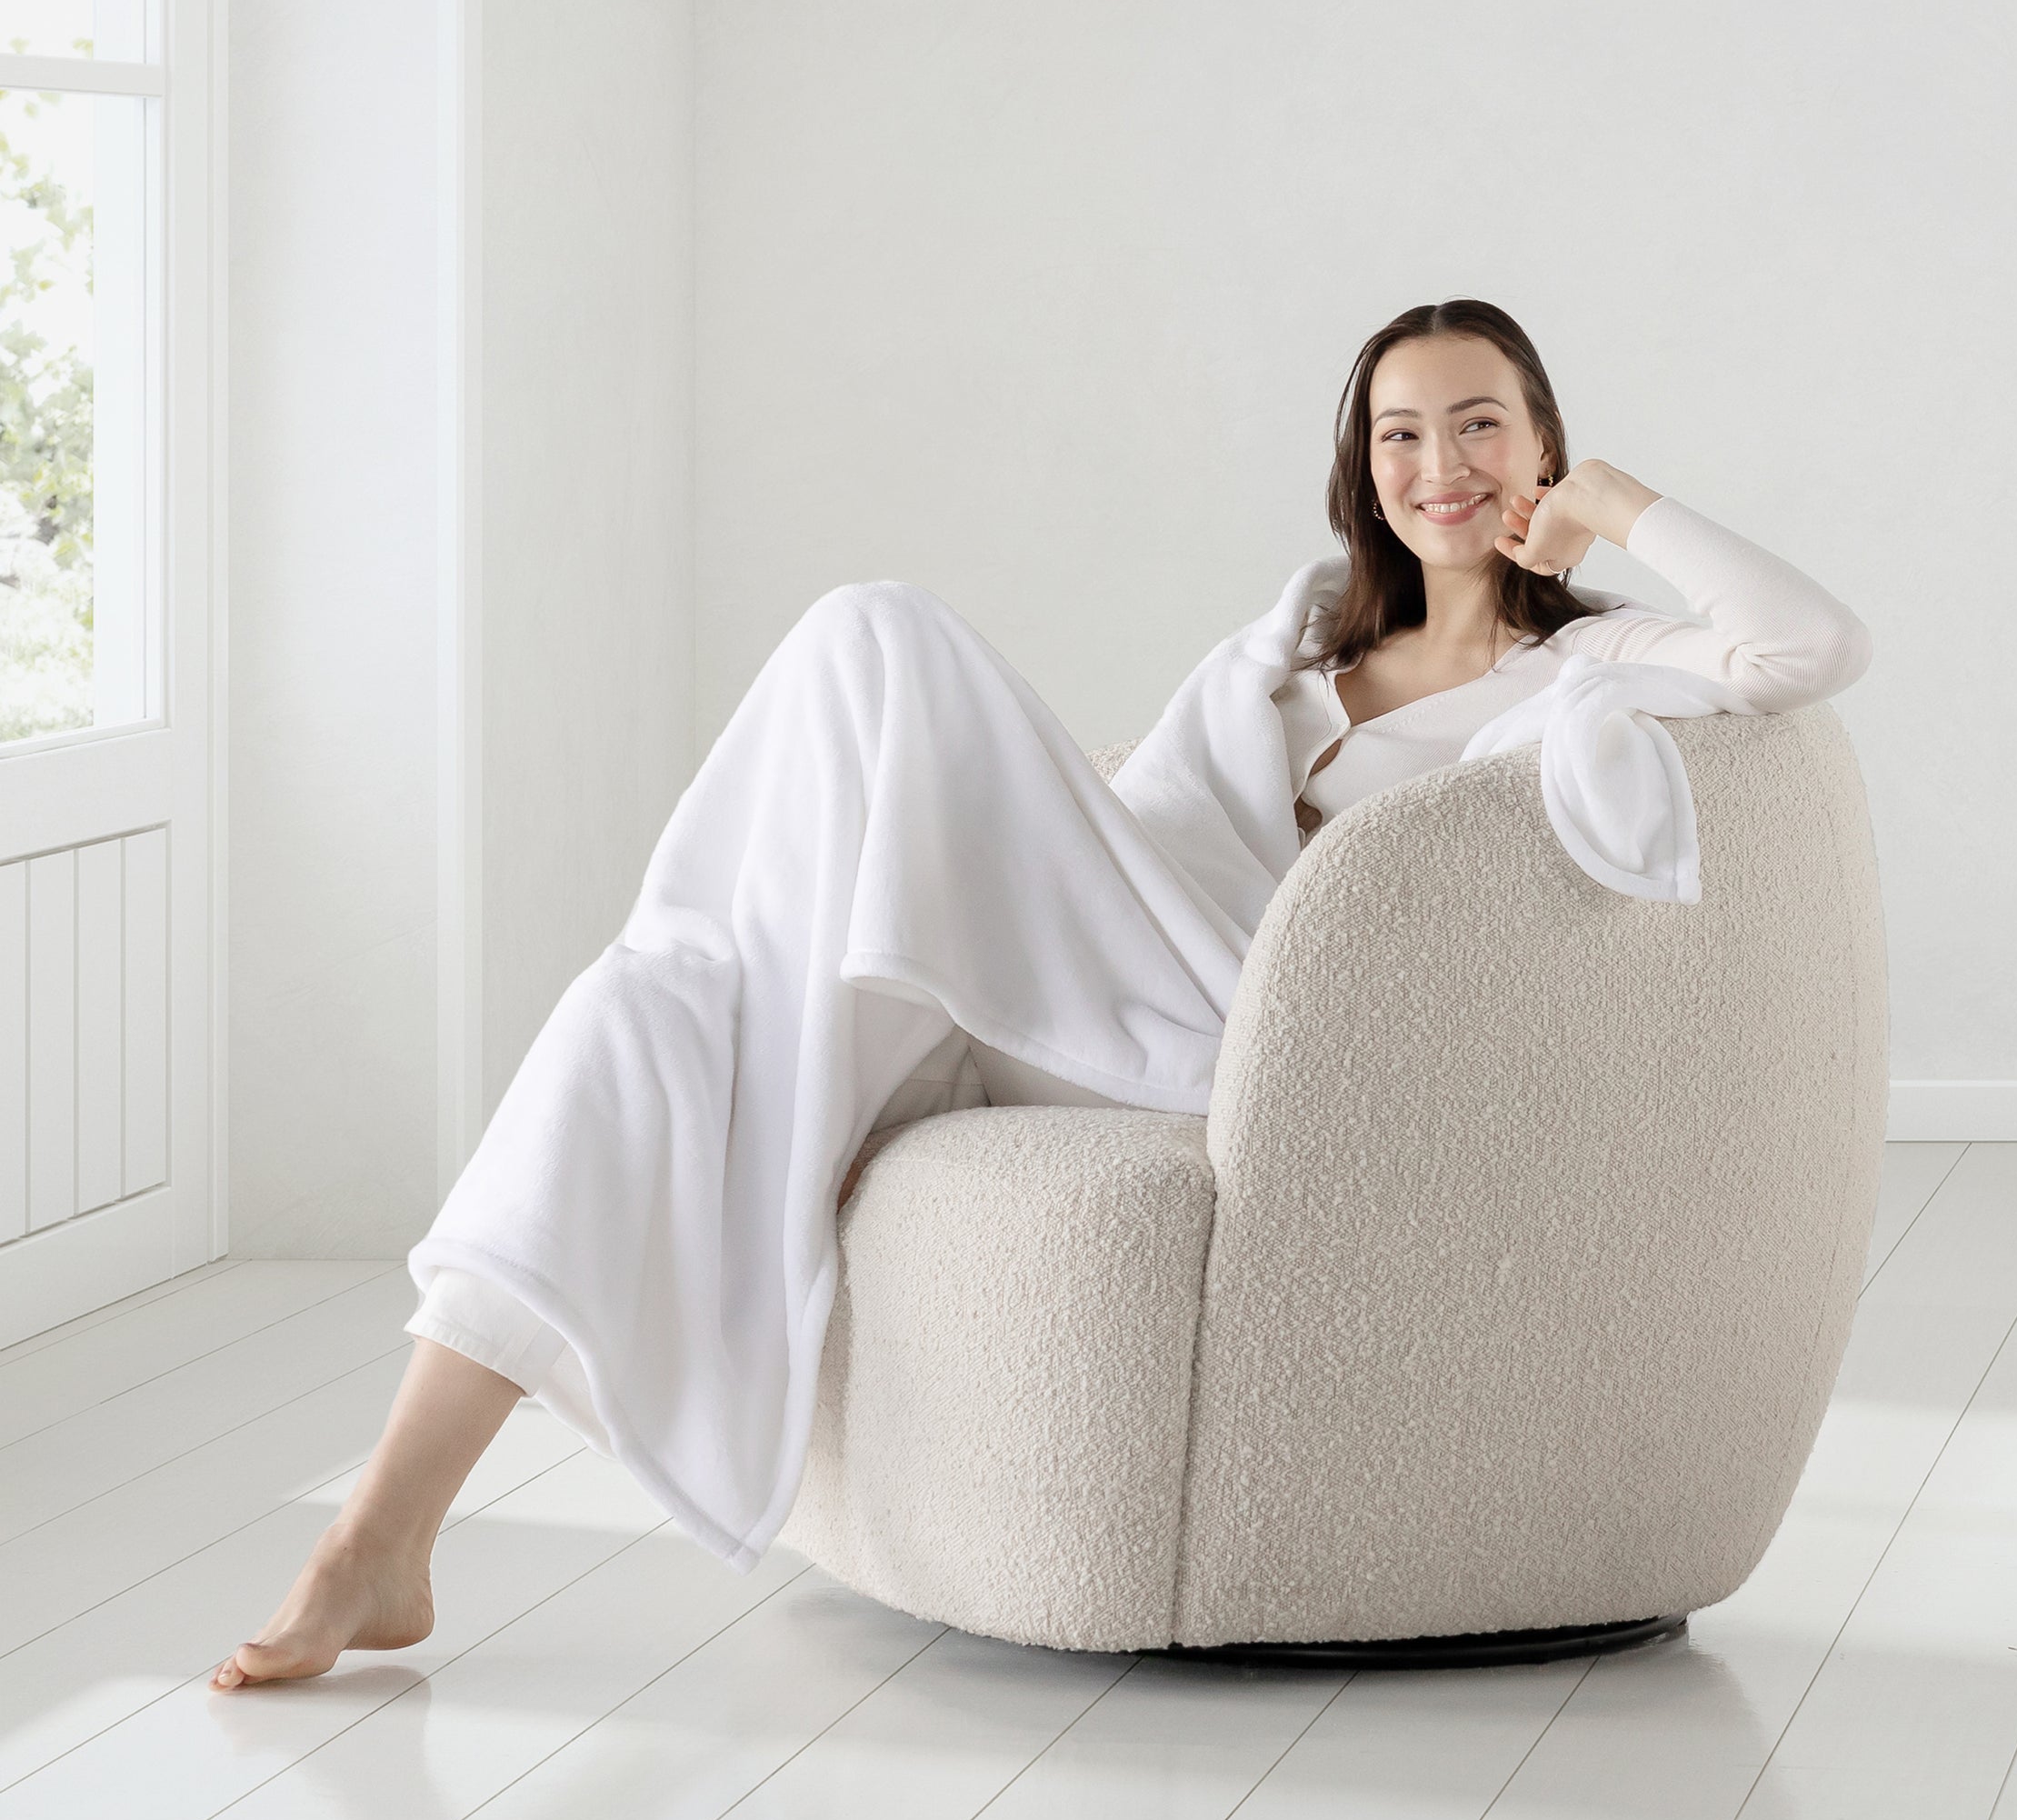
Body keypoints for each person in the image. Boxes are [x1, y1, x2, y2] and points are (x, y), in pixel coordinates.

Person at [210, 298, 1871, 1690]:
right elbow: (1143, 808)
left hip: (1235, 1033)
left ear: (1542, 443)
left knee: (875, 635)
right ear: (1361, 475)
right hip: (1101, 990)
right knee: (646, 1017)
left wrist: (1623, 510)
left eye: (1484, 426)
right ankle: (384, 1537)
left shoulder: (1580, 665)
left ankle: (724, 1132)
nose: (1443, 466)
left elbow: (1808, 645)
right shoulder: (1294, 655)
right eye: (1402, 436)